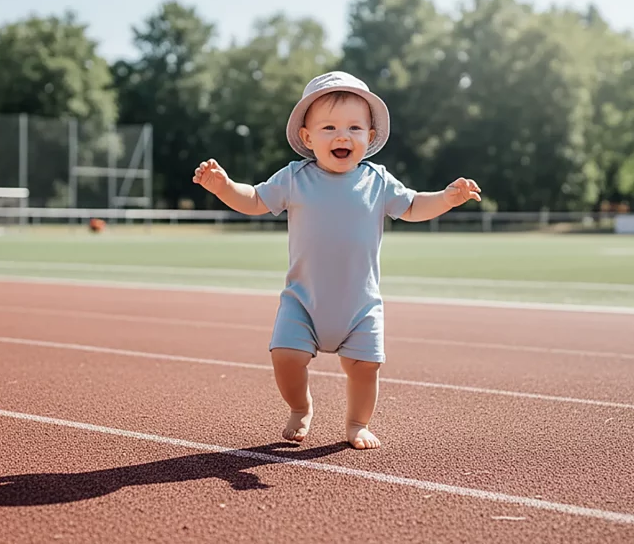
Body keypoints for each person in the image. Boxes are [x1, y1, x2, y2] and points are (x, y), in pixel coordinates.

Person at [193, 71, 481, 450]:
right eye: (328, 127)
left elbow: (412, 206)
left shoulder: (378, 181)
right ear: (307, 137)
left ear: (370, 137)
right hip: (303, 301)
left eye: (354, 128)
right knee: (286, 356)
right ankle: (300, 407)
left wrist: (446, 197)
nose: (342, 136)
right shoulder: (295, 177)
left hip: (360, 306)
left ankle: (358, 423)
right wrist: (224, 187)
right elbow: (256, 200)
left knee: (365, 367)